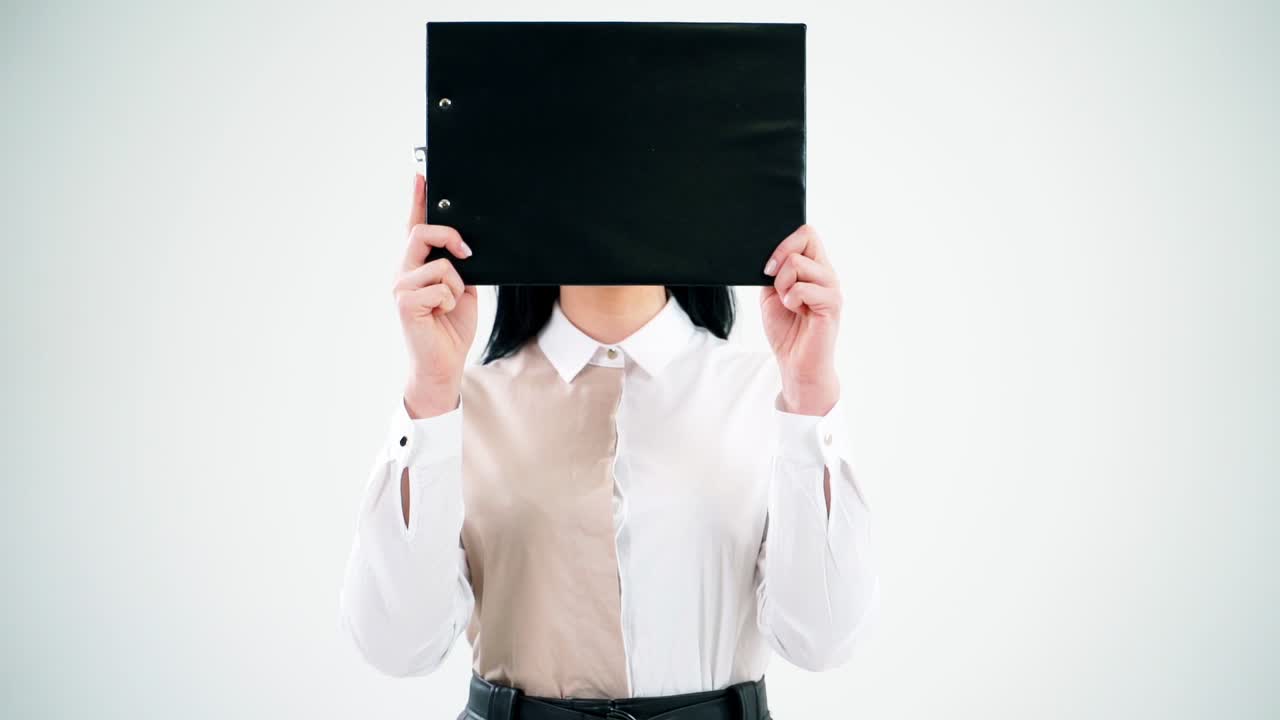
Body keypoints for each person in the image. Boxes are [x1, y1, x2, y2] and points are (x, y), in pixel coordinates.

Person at [338, 174, 879, 720]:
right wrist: (429, 395)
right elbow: (397, 645)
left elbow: (822, 640)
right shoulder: (459, 407)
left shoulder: (769, 394)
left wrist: (811, 397)